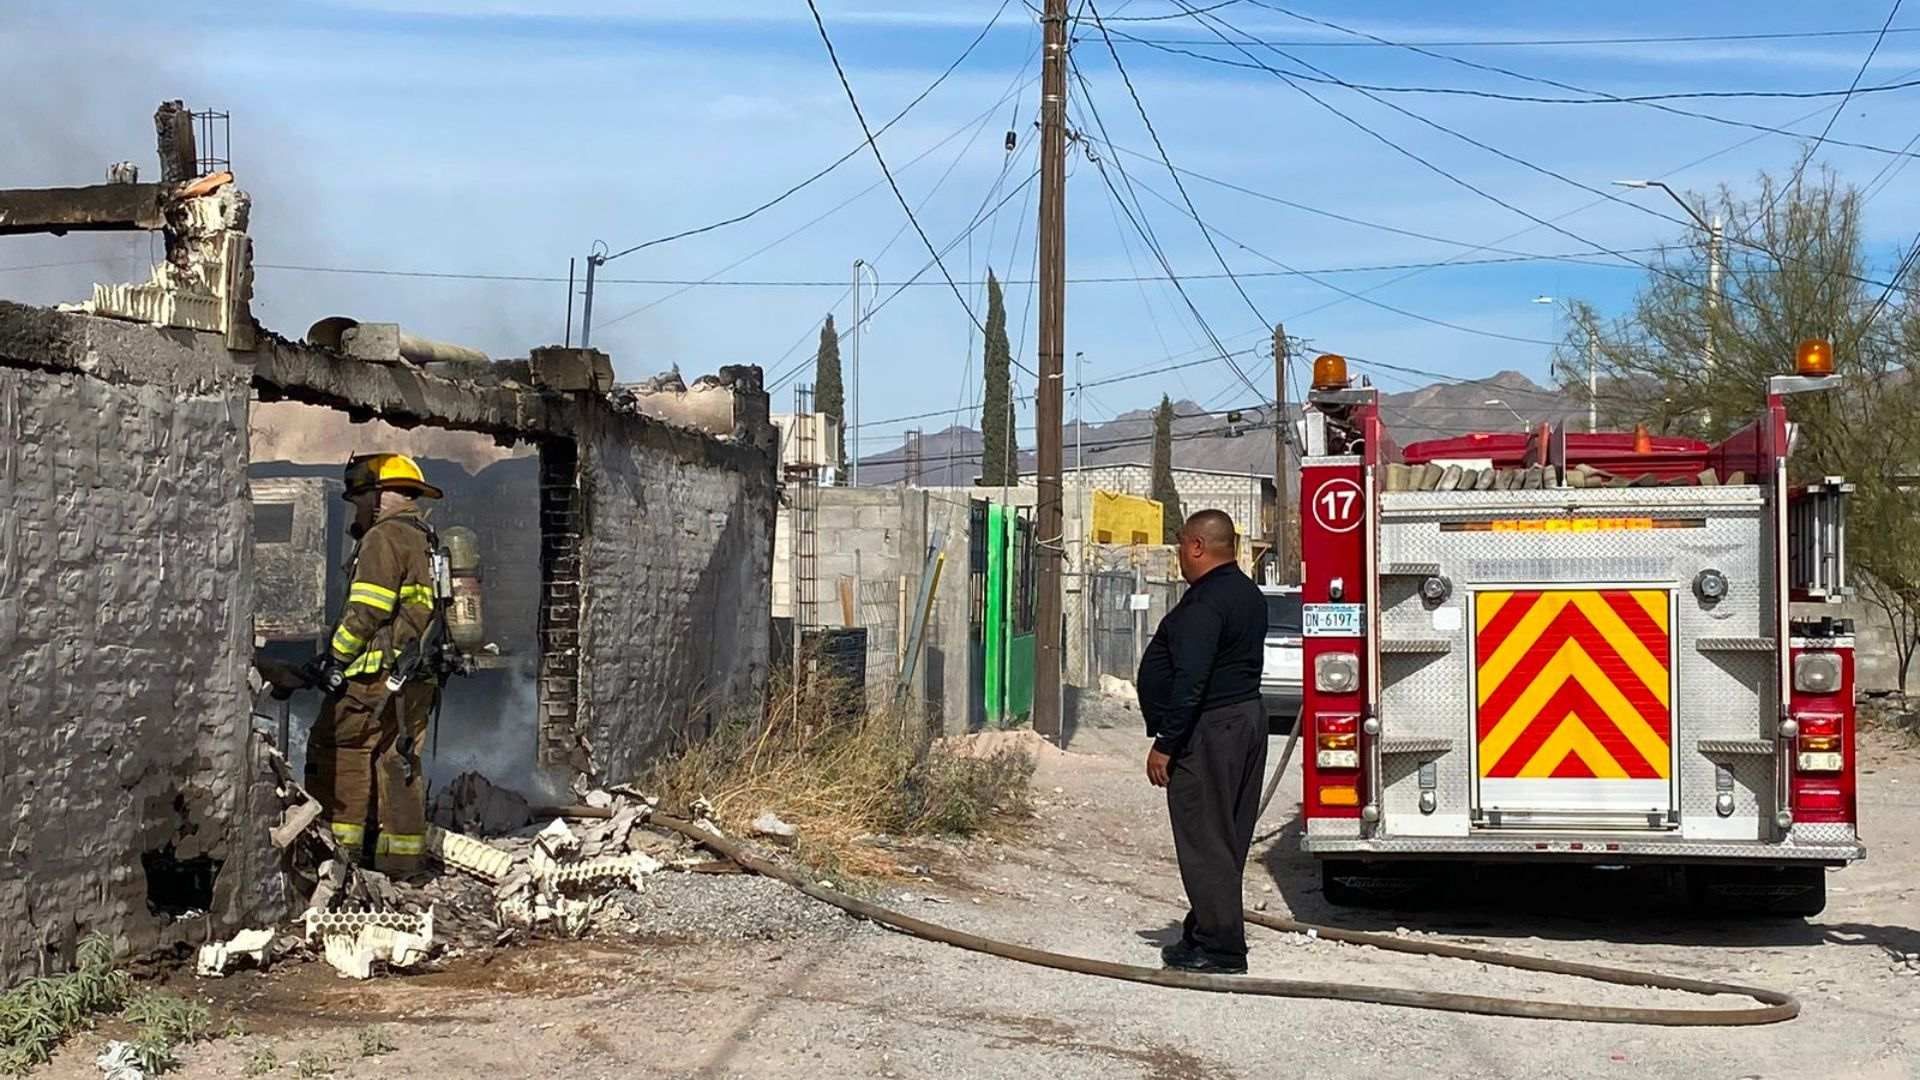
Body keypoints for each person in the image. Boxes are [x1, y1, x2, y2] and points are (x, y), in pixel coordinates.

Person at [1136, 509, 1269, 974]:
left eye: (1179, 547)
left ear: (1196, 545)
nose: (1178, 557)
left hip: (1211, 731)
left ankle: (1221, 948)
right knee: (1224, 837)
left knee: (1204, 837)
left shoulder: (1207, 602)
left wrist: (1167, 743)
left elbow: (1190, 679)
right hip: (1243, 722)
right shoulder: (1246, 593)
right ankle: (1204, 929)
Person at [305, 453, 445, 875]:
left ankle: (336, 858)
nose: (357, 509)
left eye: (360, 499)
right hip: (415, 676)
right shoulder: (426, 537)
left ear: (381, 496)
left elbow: (368, 610)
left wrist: (335, 658)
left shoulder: (383, 538)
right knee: (397, 760)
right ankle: (401, 864)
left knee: (340, 749)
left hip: (374, 677)